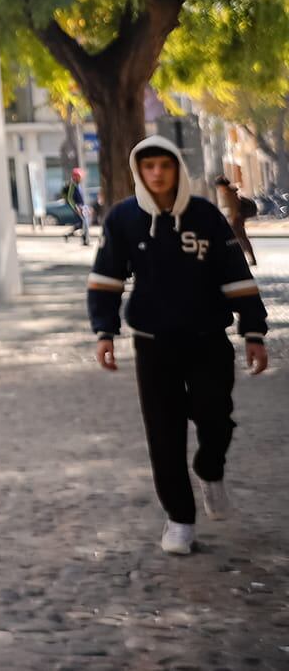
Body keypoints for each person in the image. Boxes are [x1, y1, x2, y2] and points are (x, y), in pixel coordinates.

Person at [89, 136, 270, 556]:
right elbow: (106, 279)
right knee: (163, 434)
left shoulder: (206, 215)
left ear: (177, 170)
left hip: (208, 339)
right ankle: (179, 519)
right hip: (154, 346)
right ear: (139, 170)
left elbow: (236, 275)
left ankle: (210, 470)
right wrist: (104, 331)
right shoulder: (123, 219)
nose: (156, 174)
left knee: (216, 418)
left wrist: (254, 332)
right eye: (148, 166)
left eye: (164, 166)